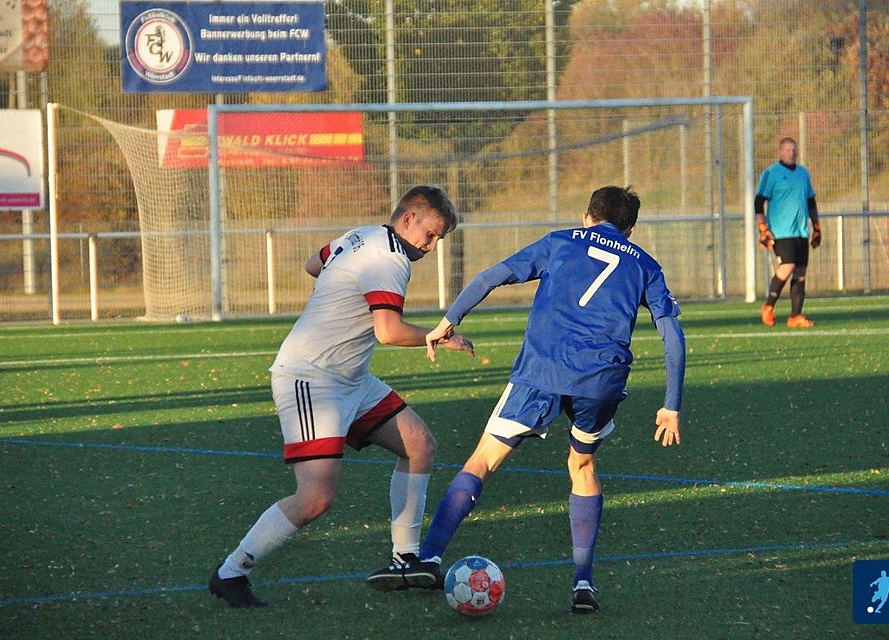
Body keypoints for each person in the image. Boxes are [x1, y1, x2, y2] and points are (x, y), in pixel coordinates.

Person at [416, 185, 686, 613]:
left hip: (542, 370)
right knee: (582, 464)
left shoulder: (561, 242)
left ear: (587, 216)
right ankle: (583, 584)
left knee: (483, 460)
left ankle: (428, 557)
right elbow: (672, 335)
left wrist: (447, 322)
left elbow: (490, 276)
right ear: (630, 229)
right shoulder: (645, 265)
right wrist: (671, 405)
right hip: (602, 379)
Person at [208, 185, 474, 608]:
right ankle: (231, 573)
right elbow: (388, 332)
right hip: (311, 378)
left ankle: (404, 559)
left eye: (440, 238)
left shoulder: (362, 235)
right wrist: (437, 336)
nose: (434, 245)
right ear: (408, 220)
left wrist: (341, 288)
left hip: (350, 377)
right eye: (431, 234)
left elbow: (314, 264)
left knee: (419, 444)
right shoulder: (391, 258)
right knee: (315, 499)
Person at [755, 137, 821, 328]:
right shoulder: (771, 173)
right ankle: (768, 306)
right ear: (780, 151)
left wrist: (816, 226)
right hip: (780, 231)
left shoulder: (803, 173)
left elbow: (811, 201)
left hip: (801, 231)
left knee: (800, 273)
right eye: (787, 150)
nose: (791, 153)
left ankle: (795, 316)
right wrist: (763, 228)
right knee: (788, 265)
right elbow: (758, 202)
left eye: (793, 149)